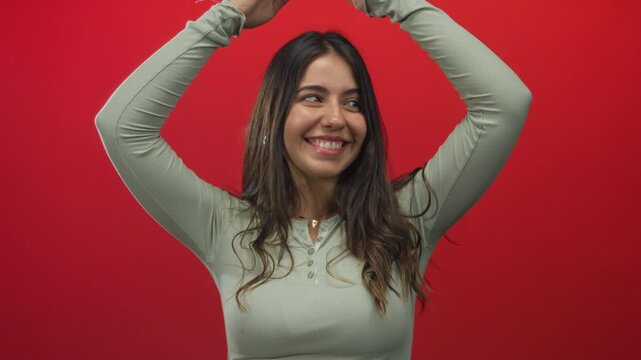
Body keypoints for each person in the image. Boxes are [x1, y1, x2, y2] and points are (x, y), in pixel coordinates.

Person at [94, 0, 532, 358]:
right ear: (275, 113)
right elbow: (121, 126)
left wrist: (395, 4)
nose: (336, 118)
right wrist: (228, 14)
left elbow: (504, 104)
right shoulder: (225, 225)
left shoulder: (407, 219)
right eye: (313, 98)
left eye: (354, 103)